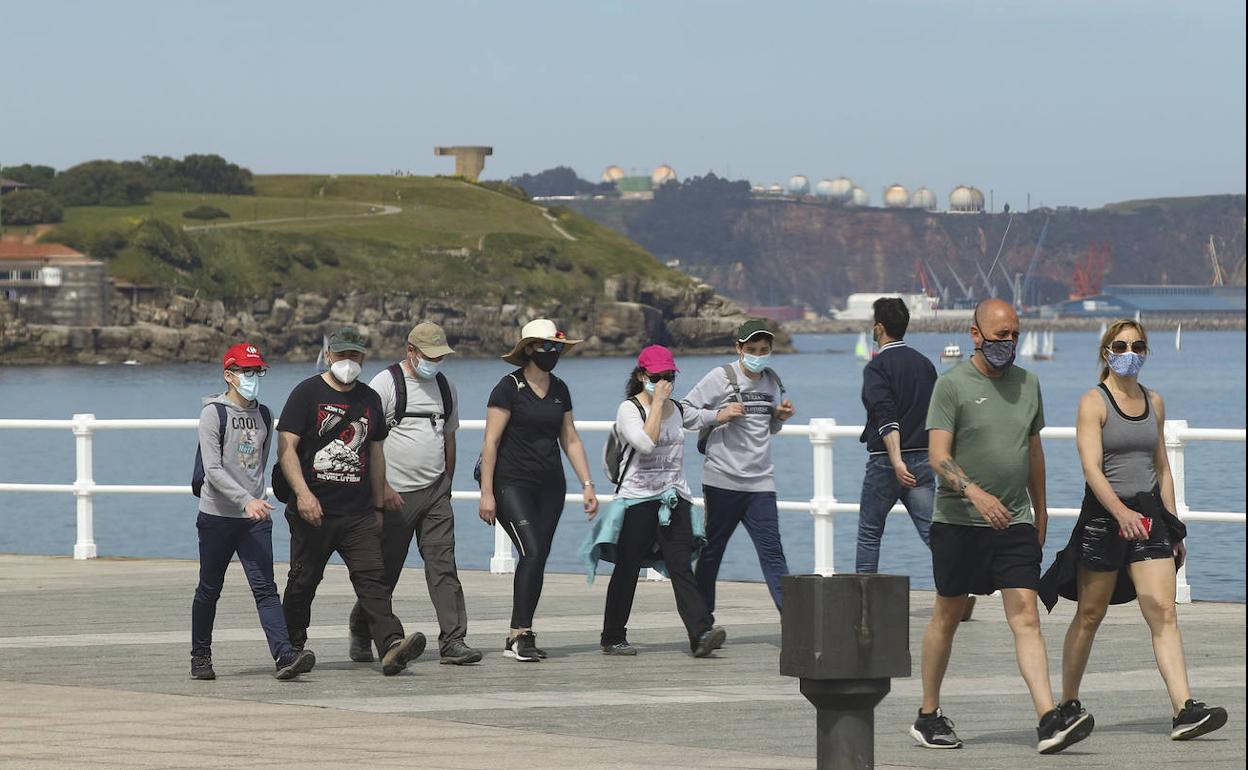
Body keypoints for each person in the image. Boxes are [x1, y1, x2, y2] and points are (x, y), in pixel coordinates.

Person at [911, 299, 1093, 754]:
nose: (1008, 344)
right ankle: (928, 714)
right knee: (948, 615)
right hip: (958, 522)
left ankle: (1048, 718)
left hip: (1015, 521)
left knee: (1026, 616)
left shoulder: (1029, 385)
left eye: (1014, 334)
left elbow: (1033, 451)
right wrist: (973, 491)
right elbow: (938, 456)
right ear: (975, 335)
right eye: (999, 336)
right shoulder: (951, 386)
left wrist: (1043, 509)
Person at [1040, 320, 1227, 740]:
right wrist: (1119, 512)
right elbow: (1091, 468)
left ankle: (1184, 709)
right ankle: (1068, 703)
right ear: (1106, 351)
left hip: (1149, 517)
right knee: (1090, 613)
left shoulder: (1154, 401)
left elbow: (1161, 467)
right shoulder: (1094, 402)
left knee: (1163, 610)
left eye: (1138, 345)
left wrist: (1174, 527)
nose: (1131, 351)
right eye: (1122, 345)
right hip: (1105, 518)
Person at [277, 326, 426, 676]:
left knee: (373, 578)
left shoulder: (369, 399)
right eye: (342, 355)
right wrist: (303, 495)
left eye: (355, 355)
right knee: (303, 581)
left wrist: (377, 505)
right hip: (313, 509)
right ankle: (291, 648)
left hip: (357, 512)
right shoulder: (306, 393)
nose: (348, 361)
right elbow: (286, 449)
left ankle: (391, 645)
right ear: (329, 356)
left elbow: (376, 455)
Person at [347, 321, 482, 666]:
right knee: (385, 570)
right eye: (429, 355)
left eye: (441, 356)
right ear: (411, 351)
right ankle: (363, 627)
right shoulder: (385, 384)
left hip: (435, 491)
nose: (435, 361)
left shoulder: (446, 387)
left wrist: (447, 483)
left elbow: (448, 437)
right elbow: (368, 441)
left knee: (443, 565)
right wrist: (381, 490)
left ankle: (453, 641)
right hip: (394, 493)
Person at [581, 345, 727, 658]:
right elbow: (645, 443)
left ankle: (701, 633)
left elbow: (700, 417)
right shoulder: (629, 409)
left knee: (681, 566)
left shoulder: (679, 408)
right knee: (627, 568)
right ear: (641, 376)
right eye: (657, 376)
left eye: (669, 376)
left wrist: (723, 414)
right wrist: (658, 404)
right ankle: (613, 636)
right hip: (636, 501)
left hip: (674, 498)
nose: (664, 382)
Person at [190, 343, 315, 681]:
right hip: (217, 516)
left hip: (254, 520)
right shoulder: (212, 414)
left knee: (265, 589)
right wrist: (245, 499)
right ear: (229, 375)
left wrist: (256, 501)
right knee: (209, 589)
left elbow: (257, 465)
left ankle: (284, 655)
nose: (253, 377)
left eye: (257, 370)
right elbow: (213, 470)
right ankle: (200, 655)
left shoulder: (264, 415)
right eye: (246, 371)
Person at [478, 318, 599, 662]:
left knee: (538, 557)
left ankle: (519, 631)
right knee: (531, 551)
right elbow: (491, 441)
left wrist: (588, 485)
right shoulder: (508, 387)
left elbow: (570, 438)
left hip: (551, 487)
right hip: (511, 484)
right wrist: (487, 493)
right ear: (529, 349)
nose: (553, 352)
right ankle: (521, 634)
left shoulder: (560, 388)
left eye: (557, 347)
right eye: (546, 346)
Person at [681, 318, 796, 618]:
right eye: (752, 349)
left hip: (761, 484)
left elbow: (765, 428)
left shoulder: (772, 381)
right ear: (739, 348)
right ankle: (702, 623)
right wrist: (718, 415)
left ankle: (795, 621)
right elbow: (684, 411)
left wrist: (779, 418)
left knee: (773, 553)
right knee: (711, 552)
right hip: (722, 482)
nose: (758, 355)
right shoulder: (720, 376)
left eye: (764, 349)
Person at [856, 297, 938, 575]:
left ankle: (863, 601)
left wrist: (897, 461)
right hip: (925, 458)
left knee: (870, 533)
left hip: (886, 462)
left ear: (878, 328)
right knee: (934, 534)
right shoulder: (924, 365)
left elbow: (885, 415)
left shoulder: (877, 368)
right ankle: (958, 590)